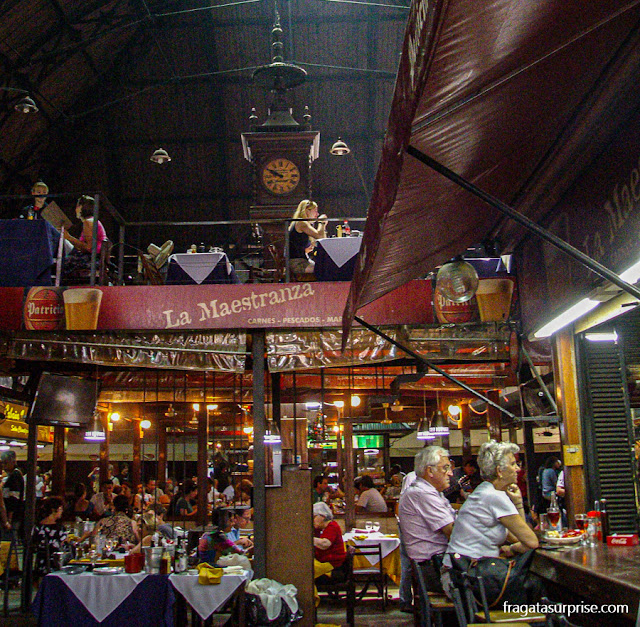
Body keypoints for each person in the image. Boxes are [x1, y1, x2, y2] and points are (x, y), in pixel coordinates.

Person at [443, 441, 538, 593]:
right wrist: (511, 550)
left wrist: (518, 503)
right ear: (500, 471)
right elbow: (532, 542)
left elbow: (516, 536)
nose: (518, 469)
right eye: (513, 464)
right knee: (535, 584)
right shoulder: (494, 496)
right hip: (469, 580)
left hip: (461, 573)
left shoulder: (485, 491)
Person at [398, 446, 456, 595]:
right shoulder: (421, 493)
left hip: (435, 565)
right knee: (494, 583)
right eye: (445, 468)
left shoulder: (433, 493)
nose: (450, 473)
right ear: (430, 471)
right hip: (433, 569)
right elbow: (453, 532)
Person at [62, 195, 108, 281]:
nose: (75, 209)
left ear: (81, 207)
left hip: (91, 259)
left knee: (61, 262)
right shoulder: (92, 221)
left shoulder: (88, 222)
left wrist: (69, 237)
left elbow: (89, 247)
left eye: (77, 206)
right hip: (92, 257)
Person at [288, 199, 328, 274]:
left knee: (326, 266)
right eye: (315, 211)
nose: (317, 214)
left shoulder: (301, 223)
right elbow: (320, 236)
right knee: (324, 270)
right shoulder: (301, 222)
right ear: (307, 211)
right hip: (298, 264)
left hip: (303, 260)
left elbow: (323, 239)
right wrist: (321, 223)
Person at [31, 497, 68, 578]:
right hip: (56, 564)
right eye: (60, 509)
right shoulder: (59, 528)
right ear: (54, 510)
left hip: (40, 563)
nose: (62, 512)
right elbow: (64, 545)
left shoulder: (37, 526)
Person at [313, 501, 347, 581]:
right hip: (323, 562)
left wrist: (308, 539)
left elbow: (325, 544)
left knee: (307, 571)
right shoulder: (320, 528)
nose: (312, 520)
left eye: (314, 517)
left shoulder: (332, 527)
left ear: (323, 517)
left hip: (332, 566)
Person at [1, 450, 24, 533]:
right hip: (12, 515)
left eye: (6, 463)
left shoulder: (15, 476)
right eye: (2, 463)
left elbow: (14, 498)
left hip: (13, 515)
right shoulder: (11, 475)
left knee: (11, 539)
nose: (4, 466)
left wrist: (9, 519)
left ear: (13, 462)